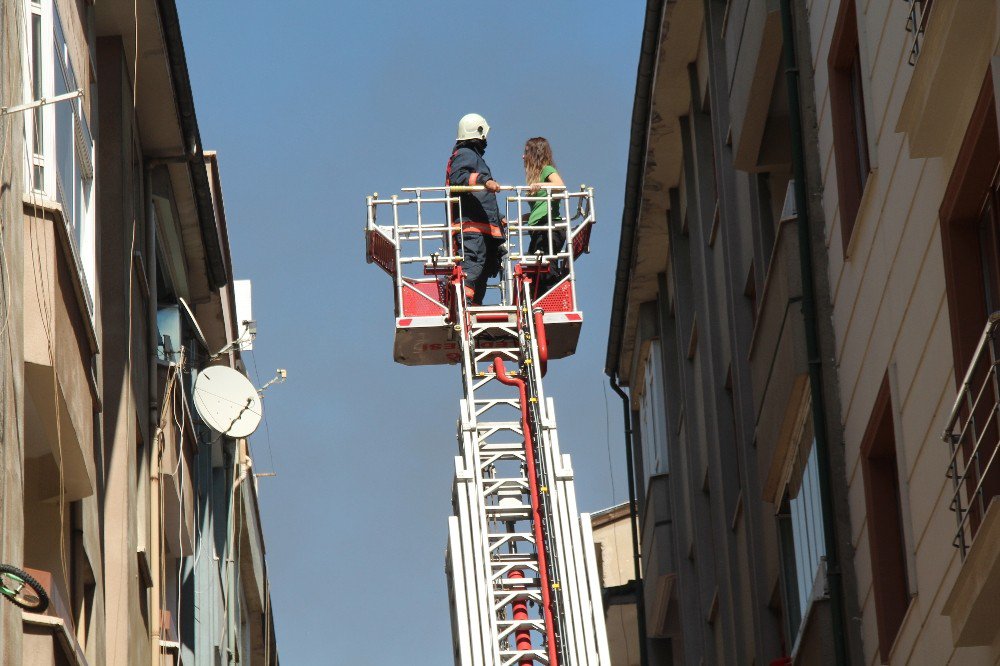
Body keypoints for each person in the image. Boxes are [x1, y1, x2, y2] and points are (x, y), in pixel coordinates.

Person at [446, 113, 506, 306]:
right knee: (473, 263)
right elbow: (458, 179)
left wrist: (499, 219)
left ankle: (473, 304)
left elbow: (483, 199)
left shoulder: (473, 157)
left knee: (485, 267)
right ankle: (465, 302)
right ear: (478, 133)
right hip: (472, 227)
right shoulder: (465, 155)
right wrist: (484, 180)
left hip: (483, 226)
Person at [522, 137, 566, 292]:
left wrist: (539, 185)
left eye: (526, 152)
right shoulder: (537, 177)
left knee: (546, 267)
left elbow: (560, 186)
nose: (523, 156)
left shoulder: (547, 170)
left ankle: (551, 295)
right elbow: (540, 207)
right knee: (536, 269)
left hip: (549, 229)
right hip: (539, 230)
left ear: (536, 153)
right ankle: (539, 298)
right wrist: (521, 219)